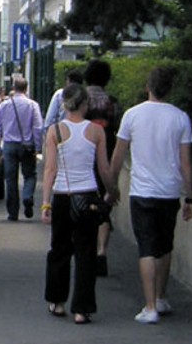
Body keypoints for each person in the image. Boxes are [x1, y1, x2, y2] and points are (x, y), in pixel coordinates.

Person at [109, 67, 192, 325]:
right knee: (165, 244)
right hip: (169, 191)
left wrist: (111, 185)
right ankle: (160, 296)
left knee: (146, 247)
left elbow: (118, 154)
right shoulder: (180, 118)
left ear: (148, 87)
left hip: (142, 190)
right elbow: (186, 162)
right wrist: (190, 197)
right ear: (170, 89)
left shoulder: (132, 115)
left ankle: (149, 307)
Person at [41, 83, 116, 324]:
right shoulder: (96, 132)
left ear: (64, 104)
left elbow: (50, 169)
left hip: (63, 196)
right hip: (88, 195)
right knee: (86, 255)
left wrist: (45, 203)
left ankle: (58, 301)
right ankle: (82, 309)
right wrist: (112, 191)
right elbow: (104, 168)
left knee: (59, 250)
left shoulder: (55, 131)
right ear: (86, 104)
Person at [82, 59, 121, 277]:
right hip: (106, 155)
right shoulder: (113, 103)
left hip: (84, 157)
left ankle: (85, 249)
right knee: (104, 205)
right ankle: (102, 251)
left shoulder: (81, 100)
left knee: (84, 203)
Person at [0, 78, 43, 220]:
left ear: (14, 88)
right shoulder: (33, 105)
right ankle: (27, 196)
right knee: (30, 175)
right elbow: (38, 127)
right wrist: (38, 147)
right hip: (27, 146)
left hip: (9, 146)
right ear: (26, 89)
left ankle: (13, 213)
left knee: (10, 179)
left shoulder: (4, 105)